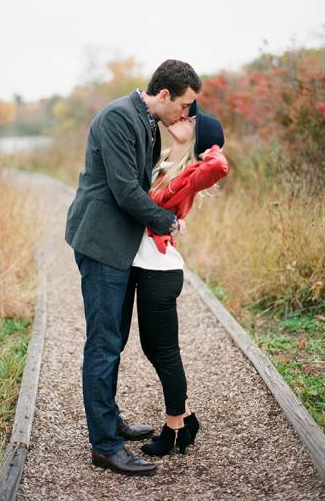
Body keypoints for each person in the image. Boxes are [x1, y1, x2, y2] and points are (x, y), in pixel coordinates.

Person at [65, 60, 202, 476]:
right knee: (104, 344)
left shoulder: (143, 119)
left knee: (115, 340)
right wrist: (167, 222)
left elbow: (147, 180)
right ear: (164, 95)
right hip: (103, 242)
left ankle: (112, 421)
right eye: (184, 106)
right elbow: (126, 190)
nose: (186, 115)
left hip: (119, 246)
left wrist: (180, 144)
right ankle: (105, 445)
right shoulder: (117, 118)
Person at [132, 103, 229, 457]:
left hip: (161, 271)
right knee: (151, 347)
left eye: (192, 120)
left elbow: (219, 165)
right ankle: (187, 417)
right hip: (148, 268)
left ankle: (174, 426)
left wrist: (211, 148)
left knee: (166, 352)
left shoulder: (190, 170)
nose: (182, 118)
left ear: (199, 135)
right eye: (185, 113)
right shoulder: (163, 164)